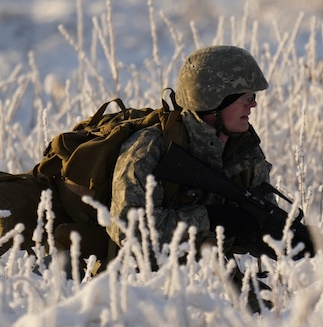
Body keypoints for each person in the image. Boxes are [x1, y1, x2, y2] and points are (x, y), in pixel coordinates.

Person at [106, 45, 300, 271]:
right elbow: (128, 230)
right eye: (247, 97)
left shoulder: (245, 151)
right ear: (214, 101)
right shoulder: (150, 148)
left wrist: (263, 236)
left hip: (209, 277)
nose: (253, 104)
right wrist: (211, 218)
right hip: (140, 287)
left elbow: (264, 220)